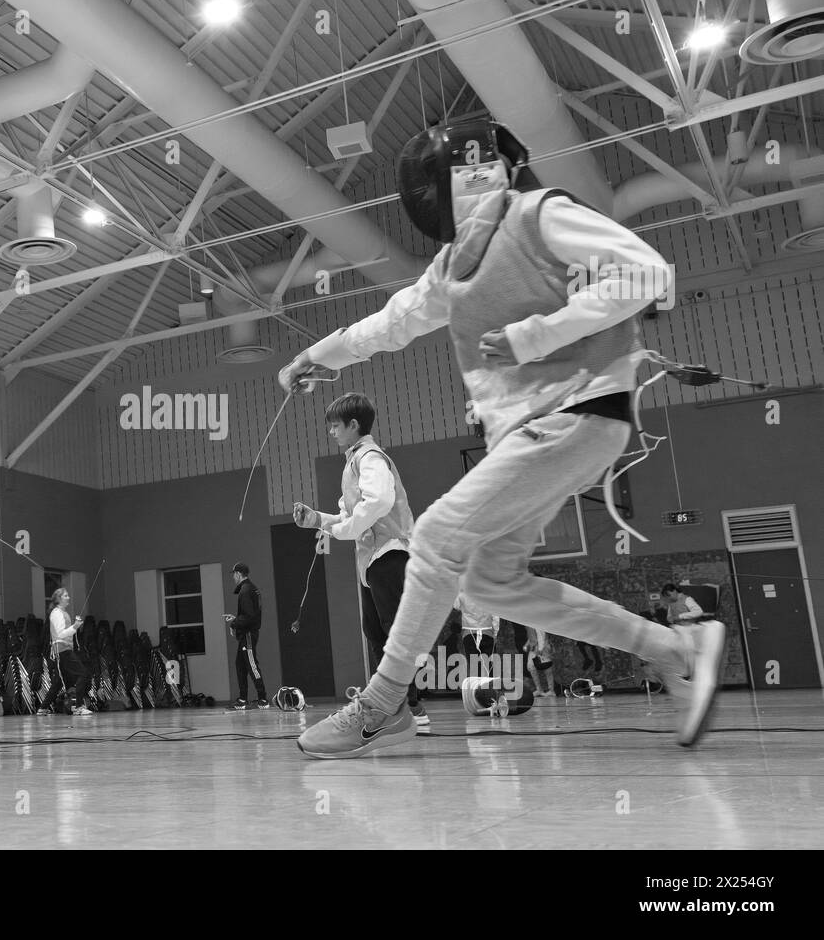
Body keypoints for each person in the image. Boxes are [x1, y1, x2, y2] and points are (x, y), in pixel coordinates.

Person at [279, 120, 725, 758]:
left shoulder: (540, 215)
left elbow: (645, 272)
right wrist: (317, 354)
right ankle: (676, 649)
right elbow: (390, 323)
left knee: (433, 538)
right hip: (531, 437)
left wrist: (539, 334)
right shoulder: (453, 268)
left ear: (471, 173)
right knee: (490, 584)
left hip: (578, 411)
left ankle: (382, 705)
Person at [292, 392, 427, 726]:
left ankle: (411, 709)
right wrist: (318, 520)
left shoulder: (370, 457)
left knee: (393, 634)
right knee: (376, 632)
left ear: (354, 425)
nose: (332, 432)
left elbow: (379, 500)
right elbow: (346, 515)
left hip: (390, 553)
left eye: (336, 426)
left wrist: (346, 529)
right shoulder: (353, 462)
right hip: (372, 561)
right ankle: (397, 708)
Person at [37, 588, 93, 716]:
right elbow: (61, 634)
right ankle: (79, 706)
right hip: (62, 651)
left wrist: (74, 626)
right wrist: (75, 627)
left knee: (57, 683)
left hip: (63, 650)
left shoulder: (63, 613)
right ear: (59, 599)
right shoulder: (57, 613)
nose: (68, 597)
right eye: (66, 596)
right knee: (83, 674)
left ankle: (43, 708)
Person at [223, 563, 269, 709]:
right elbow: (250, 614)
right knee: (240, 665)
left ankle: (263, 699)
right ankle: (242, 700)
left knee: (251, 664)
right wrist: (235, 618)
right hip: (247, 634)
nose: (233, 577)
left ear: (238, 574)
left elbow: (249, 617)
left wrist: (234, 623)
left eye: (233, 574)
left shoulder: (245, 590)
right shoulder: (251, 588)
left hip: (248, 634)